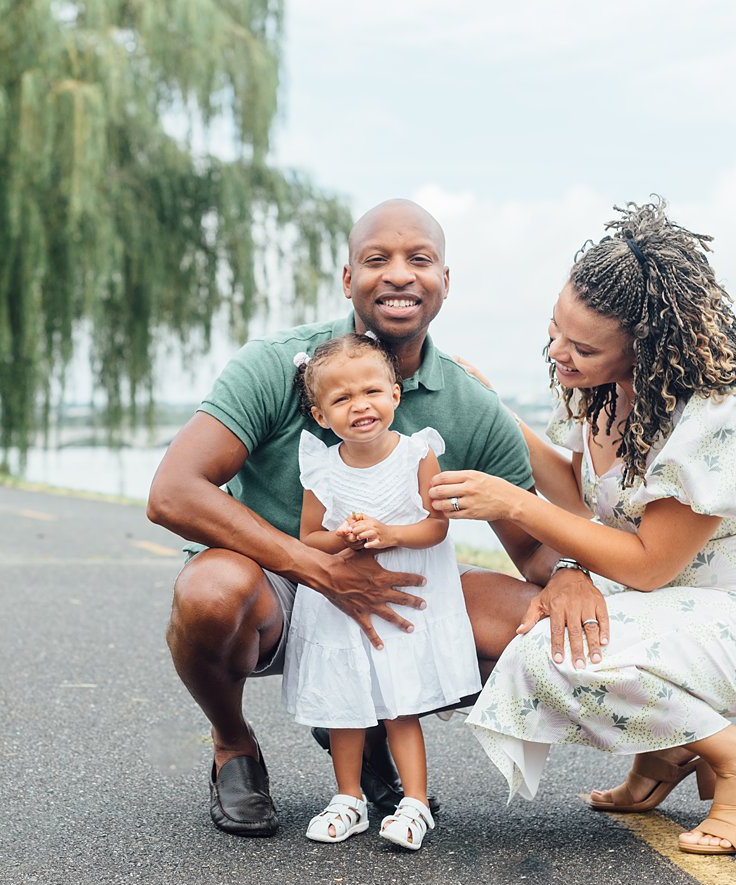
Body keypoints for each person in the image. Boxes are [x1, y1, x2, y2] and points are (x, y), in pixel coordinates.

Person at [146, 199, 604, 838]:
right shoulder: (280, 364)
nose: (398, 275)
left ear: (445, 280)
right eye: (376, 260)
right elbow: (173, 492)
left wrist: (570, 569)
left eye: (420, 260)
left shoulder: (468, 405)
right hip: (277, 587)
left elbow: (531, 549)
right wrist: (318, 569)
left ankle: (371, 719)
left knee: (540, 629)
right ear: (347, 279)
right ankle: (234, 745)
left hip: (402, 594)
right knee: (209, 593)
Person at [430, 198, 736, 856]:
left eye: (583, 346)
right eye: (555, 330)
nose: (559, 353)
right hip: (674, 602)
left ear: (646, 346)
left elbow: (648, 563)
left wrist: (514, 504)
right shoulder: (607, 389)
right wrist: (495, 413)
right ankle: (668, 750)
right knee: (480, 606)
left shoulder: (714, 416)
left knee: (552, 651)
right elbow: (588, 491)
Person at [284, 333, 478, 849]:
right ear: (321, 415)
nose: (359, 406)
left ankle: (414, 801)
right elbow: (310, 538)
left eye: (371, 391)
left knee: (400, 705)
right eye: (341, 399)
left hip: (398, 603)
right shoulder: (321, 466)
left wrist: (389, 534)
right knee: (344, 706)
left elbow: (436, 528)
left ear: (395, 395)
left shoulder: (418, 453)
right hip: (342, 605)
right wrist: (343, 537)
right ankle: (349, 798)